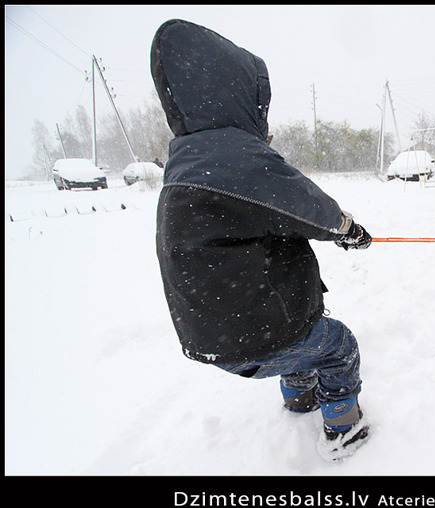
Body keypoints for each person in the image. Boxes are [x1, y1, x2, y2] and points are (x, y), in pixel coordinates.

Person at [150, 19, 371, 460]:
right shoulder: (236, 159)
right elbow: (309, 209)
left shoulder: (188, 163)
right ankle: (344, 431)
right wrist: (348, 230)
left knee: (306, 335)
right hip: (259, 332)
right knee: (337, 345)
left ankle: (299, 400)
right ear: (239, 97)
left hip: (212, 336)